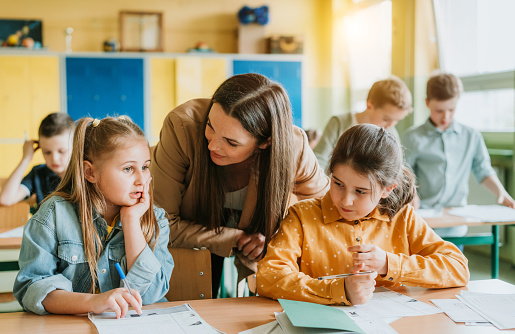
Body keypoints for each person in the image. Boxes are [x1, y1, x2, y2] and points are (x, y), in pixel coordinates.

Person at [150, 73, 329, 297]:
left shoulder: (294, 147)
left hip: (258, 252)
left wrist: (276, 237)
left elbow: (322, 215)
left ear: (266, 142)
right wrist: (232, 238)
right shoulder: (181, 126)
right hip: (188, 244)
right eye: (210, 126)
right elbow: (158, 223)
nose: (212, 146)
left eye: (231, 142)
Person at [256, 124, 469, 305]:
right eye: (337, 183)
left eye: (360, 191)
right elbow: (268, 277)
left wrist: (389, 263)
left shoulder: (403, 218)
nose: (345, 200)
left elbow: (458, 269)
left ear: (387, 189)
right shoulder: (302, 216)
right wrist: (338, 290)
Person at [14, 116, 174, 316]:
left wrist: (131, 221)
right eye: (128, 169)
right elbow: (32, 289)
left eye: (145, 167)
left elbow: (151, 295)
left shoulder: (155, 219)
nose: (142, 179)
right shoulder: (53, 215)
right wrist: (94, 301)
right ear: (90, 172)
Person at [402, 73, 515, 239]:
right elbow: (402, 173)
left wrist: (501, 192)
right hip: (422, 220)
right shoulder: (412, 137)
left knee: (454, 262)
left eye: (451, 109)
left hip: (455, 222)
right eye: (439, 111)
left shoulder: (471, 136)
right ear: (427, 103)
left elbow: (483, 169)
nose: (445, 117)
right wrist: (411, 194)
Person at [314, 76, 412, 172]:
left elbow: (396, 169)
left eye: (397, 120)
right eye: (386, 119)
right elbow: (319, 160)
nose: (391, 125)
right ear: (369, 105)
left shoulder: (390, 133)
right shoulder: (339, 123)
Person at [0, 112, 75, 207]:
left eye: (62, 151)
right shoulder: (38, 173)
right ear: (40, 147)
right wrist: (25, 158)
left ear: (75, 145)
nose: (54, 159)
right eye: (47, 152)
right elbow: (5, 199)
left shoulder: (85, 174)